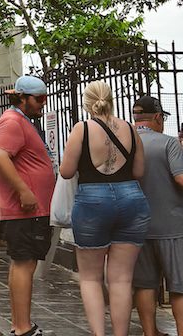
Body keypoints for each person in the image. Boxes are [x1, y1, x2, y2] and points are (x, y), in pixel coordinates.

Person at [59, 80, 149, 336]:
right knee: (121, 279)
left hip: (93, 201)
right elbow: (140, 171)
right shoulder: (131, 129)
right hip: (131, 199)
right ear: (110, 100)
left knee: (90, 277)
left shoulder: (82, 129)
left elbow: (66, 172)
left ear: (88, 103)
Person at [0, 75, 57, 336]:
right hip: (25, 210)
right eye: (39, 99)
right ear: (23, 98)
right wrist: (24, 191)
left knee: (22, 263)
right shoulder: (12, 121)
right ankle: (22, 328)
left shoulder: (20, 121)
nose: (43, 103)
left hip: (30, 210)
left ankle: (21, 325)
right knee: (24, 264)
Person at [132, 95, 183, 336]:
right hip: (171, 226)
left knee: (145, 284)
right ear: (158, 117)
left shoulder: (126, 144)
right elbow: (180, 178)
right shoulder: (169, 144)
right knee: (179, 286)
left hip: (138, 226)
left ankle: (150, 332)